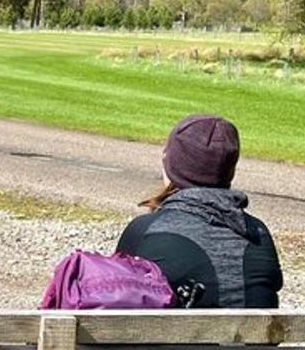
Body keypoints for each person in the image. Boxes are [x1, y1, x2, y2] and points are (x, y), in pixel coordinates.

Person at [116, 114, 282, 308]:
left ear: (170, 163)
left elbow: (115, 297)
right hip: (251, 338)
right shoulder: (258, 233)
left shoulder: (144, 230)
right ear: (230, 168)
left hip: (178, 337)